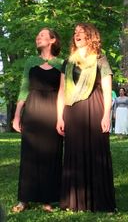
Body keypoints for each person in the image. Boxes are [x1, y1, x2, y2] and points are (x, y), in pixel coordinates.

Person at [56, 23, 116, 212]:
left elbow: (107, 90)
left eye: (81, 32)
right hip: (72, 111)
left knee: (96, 151)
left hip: (95, 108)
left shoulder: (100, 59)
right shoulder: (68, 63)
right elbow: (61, 91)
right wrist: (59, 117)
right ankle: (75, 201)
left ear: (91, 36)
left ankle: (99, 201)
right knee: (74, 152)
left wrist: (107, 115)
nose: (77, 35)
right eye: (75, 33)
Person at [12, 28, 63, 213]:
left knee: (51, 153)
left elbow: (65, 92)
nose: (38, 37)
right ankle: (24, 199)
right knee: (29, 154)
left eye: (42, 35)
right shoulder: (31, 62)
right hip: (32, 110)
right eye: (37, 35)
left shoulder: (62, 63)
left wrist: (62, 116)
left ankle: (48, 200)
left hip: (53, 111)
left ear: (52, 40)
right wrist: (17, 114)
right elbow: (24, 89)